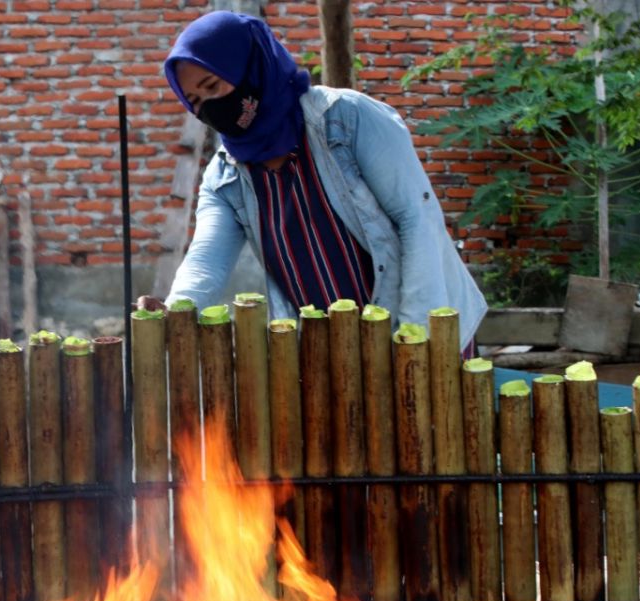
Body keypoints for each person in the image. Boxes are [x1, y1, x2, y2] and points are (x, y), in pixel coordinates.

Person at [140, 10, 487, 350]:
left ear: (250, 64)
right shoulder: (227, 172)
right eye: (196, 102)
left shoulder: (347, 119)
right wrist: (177, 310)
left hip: (425, 336)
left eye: (212, 85)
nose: (209, 108)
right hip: (332, 357)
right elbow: (207, 259)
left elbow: (417, 219)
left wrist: (413, 339)